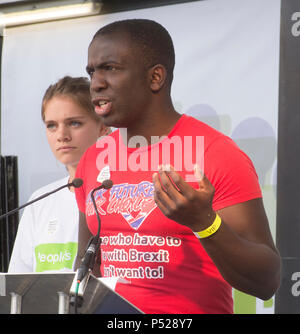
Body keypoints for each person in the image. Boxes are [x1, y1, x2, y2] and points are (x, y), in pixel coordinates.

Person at [74, 19, 281, 314]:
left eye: (111, 68)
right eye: (92, 71)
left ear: (155, 77)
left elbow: (267, 280)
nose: (96, 82)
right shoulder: (93, 159)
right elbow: (85, 267)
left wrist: (205, 223)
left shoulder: (214, 153)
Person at [8, 76, 110, 273]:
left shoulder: (122, 195)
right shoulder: (39, 201)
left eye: (74, 123)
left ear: (103, 126)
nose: (62, 135)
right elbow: (17, 285)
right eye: (51, 125)